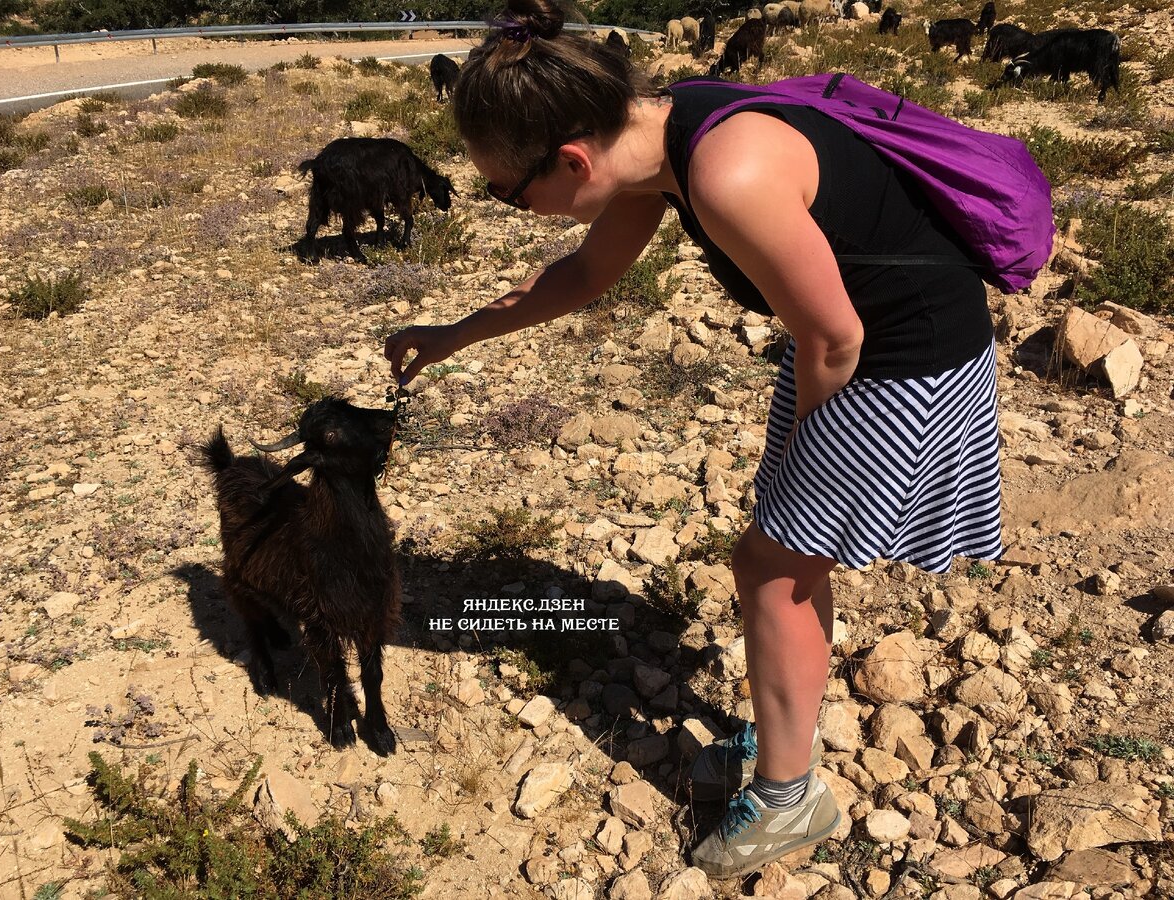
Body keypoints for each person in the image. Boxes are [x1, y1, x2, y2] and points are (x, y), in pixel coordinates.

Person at [384, 0, 1003, 880]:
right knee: (782, 558)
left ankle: (792, 797)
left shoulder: (728, 172)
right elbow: (589, 272)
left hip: (900, 358)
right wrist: (454, 334)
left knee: (774, 564)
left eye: (506, 193)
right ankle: (783, 731)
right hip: (844, 339)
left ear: (571, 158)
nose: (511, 210)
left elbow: (838, 341)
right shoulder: (658, 141)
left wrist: (795, 455)